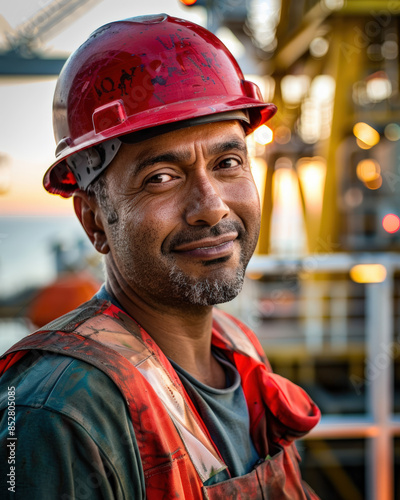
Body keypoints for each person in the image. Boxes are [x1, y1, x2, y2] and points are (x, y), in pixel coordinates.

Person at [0, 14, 321, 499]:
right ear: (94, 221)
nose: (211, 206)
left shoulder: (238, 347)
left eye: (228, 163)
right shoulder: (58, 416)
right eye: (162, 177)